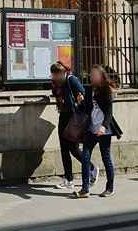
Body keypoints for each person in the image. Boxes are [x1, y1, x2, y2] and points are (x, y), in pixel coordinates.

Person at [74, 66, 121, 198]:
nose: (92, 77)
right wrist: (80, 103)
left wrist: (104, 126)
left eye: (95, 74)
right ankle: (85, 189)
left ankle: (110, 188)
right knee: (85, 157)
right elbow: (87, 109)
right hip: (91, 129)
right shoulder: (89, 90)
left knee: (106, 159)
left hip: (103, 131)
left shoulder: (105, 91)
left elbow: (109, 112)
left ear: (101, 76)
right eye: (91, 74)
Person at [50, 62, 98, 190]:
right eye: (53, 74)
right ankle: (68, 179)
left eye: (56, 74)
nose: (54, 77)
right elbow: (56, 92)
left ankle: (92, 168)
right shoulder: (58, 84)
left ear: (62, 73)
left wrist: (79, 101)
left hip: (74, 118)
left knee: (73, 148)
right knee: (64, 148)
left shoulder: (72, 80)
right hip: (64, 115)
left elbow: (83, 95)